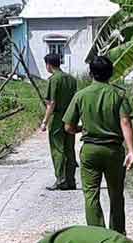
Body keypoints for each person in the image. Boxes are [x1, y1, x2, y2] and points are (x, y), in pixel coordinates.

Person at [63, 56, 133, 235]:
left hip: (90, 151)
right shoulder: (118, 94)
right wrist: (131, 151)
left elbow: (68, 127)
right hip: (113, 151)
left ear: (90, 73)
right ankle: (117, 235)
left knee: (91, 195)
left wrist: (82, 128)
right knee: (116, 195)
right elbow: (125, 122)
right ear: (111, 74)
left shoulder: (81, 95)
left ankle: (98, 236)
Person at [41, 53, 78, 191]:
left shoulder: (53, 80)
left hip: (58, 118)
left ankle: (61, 180)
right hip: (71, 117)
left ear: (48, 65)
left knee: (58, 149)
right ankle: (71, 180)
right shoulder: (72, 79)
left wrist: (45, 121)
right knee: (69, 148)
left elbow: (51, 103)